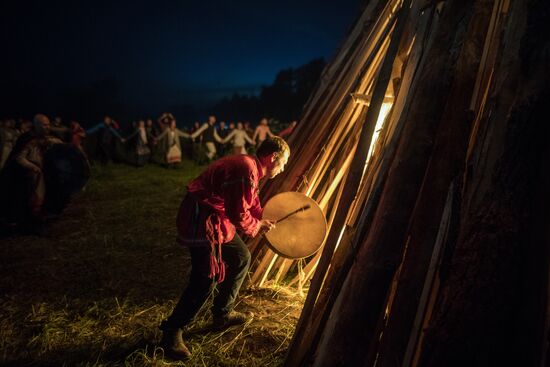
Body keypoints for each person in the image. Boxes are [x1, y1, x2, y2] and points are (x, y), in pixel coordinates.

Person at [159, 136, 290, 360]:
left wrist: (262, 218)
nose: (284, 168)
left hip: (216, 218)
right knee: (205, 279)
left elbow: (251, 203)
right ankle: (172, 332)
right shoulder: (246, 169)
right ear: (273, 156)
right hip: (202, 220)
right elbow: (237, 213)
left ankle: (222, 313)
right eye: (284, 162)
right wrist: (257, 226)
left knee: (241, 257)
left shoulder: (251, 167)